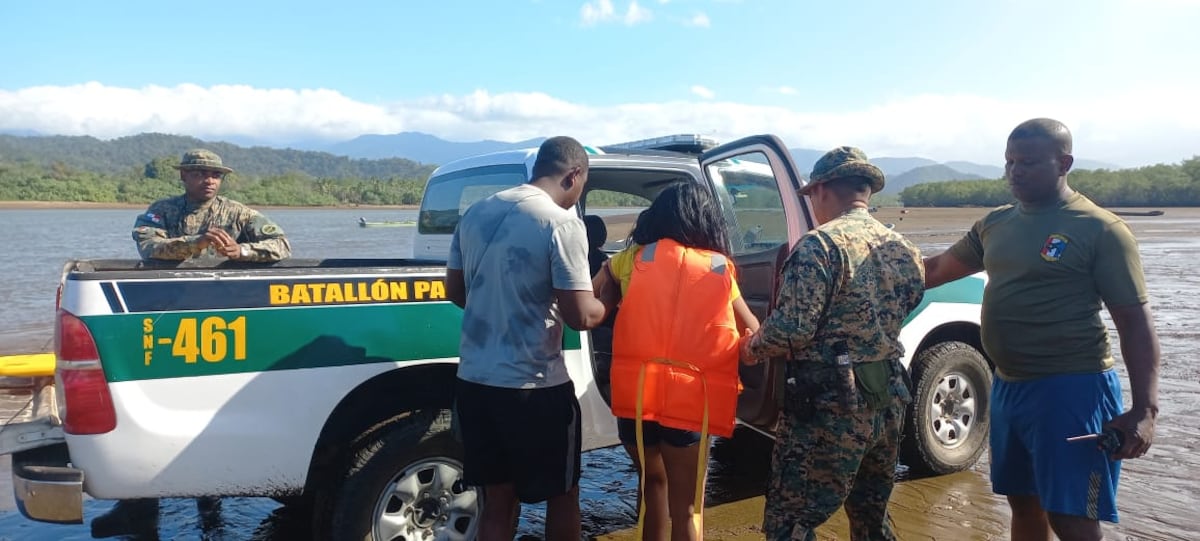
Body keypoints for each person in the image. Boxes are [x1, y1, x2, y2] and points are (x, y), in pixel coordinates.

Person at [923, 118, 1160, 541]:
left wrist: (1145, 409)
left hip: (1073, 389)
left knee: (1070, 516)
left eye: (1028, 162)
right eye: (1010, 162)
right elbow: (938, 269)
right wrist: (868, 273)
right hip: (1010, 388)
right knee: (1023, 504)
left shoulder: (1100, 229)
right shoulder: (995, 224)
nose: (1015, 172)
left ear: (1064, 162)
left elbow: (1135, 323)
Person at [740, 146, 924, 540]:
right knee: (871, 515)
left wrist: (751, 347)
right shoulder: (903, 248)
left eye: (811, 197)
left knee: (791, 520)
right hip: (888, 396)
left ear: (822, 190)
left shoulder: (819, 245)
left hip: (830, 406)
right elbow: (909, 300)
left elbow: (793, 329)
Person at [444, 136, 607, 541]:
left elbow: (456, 292)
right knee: (563, 494)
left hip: (476, 384)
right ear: (574, 174)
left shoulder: (476, 212)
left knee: (497, 501)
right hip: (534, 388)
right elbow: (580, 315)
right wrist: (612, 298)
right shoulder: (561, 222)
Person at [592, 183, 759, 541]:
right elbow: (753, 331)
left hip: (637, 400)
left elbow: (588, 299)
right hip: (690, 401)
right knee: (687, 508)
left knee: (652, 491)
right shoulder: (719, 268)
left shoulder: (631, 258)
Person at [132, 149, 291, 262]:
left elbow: (281, 245)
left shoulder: (238, 213)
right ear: (183, 175)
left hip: (223, 288)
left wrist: (242, 251)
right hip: (173, 287)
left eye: (216, 175)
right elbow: (149, 246)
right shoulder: (161, 210)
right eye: (200, 174)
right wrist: (195, 243)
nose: (209, 181)